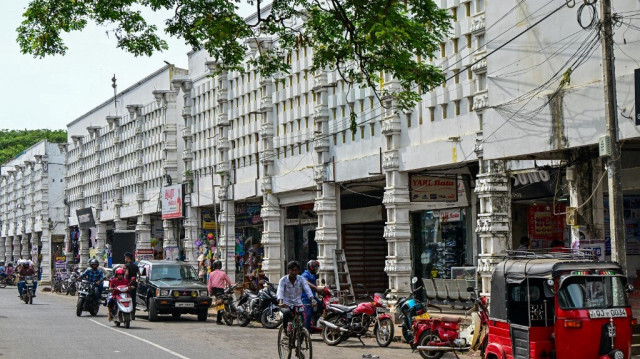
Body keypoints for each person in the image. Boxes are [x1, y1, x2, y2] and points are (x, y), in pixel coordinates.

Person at [277, 261, 316, 334]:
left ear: (298, 271)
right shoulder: (283, 280)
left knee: (304, 316)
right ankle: (285, 331)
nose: (294, 272)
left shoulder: (301, 279)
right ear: (288, 270)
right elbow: (280, 291)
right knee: (287, 313)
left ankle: (301, 334)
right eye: (292, 270)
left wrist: (312, 299)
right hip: (286, 303)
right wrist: (281, 302)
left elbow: (307, 289)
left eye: (296, 270)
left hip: (298, 303)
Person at [207, 260, 233, 325]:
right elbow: (229, 281)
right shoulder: (223, 273)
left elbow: (209, 284)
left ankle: (220, 319)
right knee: (221, 303)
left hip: (214, 290)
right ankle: (218, 320)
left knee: (220, 303)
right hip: (221, 290)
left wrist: (210, 292)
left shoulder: (211, 274)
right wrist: (230, 286)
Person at [301, 260, 323, 332]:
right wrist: (315, 288)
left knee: (322, 306)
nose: (316, 269)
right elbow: (305, 282)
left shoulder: (313, 275)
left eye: (317, 268)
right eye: (315, 267)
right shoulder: (305, 274)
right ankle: (306, 330)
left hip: (313, 297)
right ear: (311, 267)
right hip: (305, 297)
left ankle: (315, 321)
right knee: (308, 313)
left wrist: (320, 291)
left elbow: (314, 288)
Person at [123, 252, 139, 320]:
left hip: (128, 283)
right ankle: (133, 315)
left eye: (125, 257)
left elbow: (126, 274)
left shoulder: (126, 265)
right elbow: (139, 274)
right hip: (134, 283)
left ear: (127, 257)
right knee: (133, 298)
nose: (125, 259)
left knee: (127, 298)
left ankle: (128, 313)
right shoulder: (135, 266)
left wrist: (125, 282)